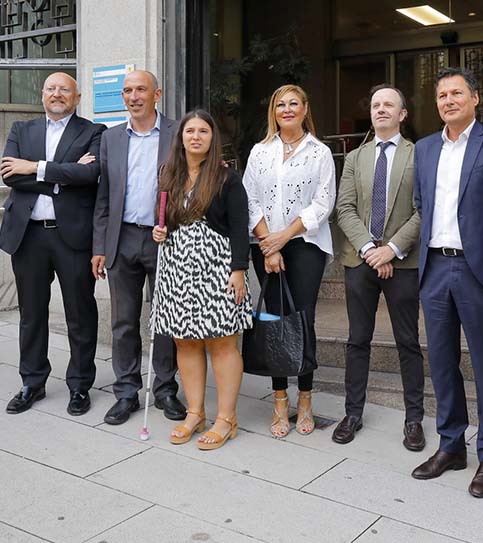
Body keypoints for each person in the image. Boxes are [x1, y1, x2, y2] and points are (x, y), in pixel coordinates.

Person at [410, 67, 483, 498]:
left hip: (480, 270)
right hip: (435, 266)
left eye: (457, 93)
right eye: (441, 95)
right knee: (441, 361)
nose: (448, 100)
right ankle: (451, 445)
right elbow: (422, 202)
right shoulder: (425, 148)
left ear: (475, 98)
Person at [0, 72, 105, 416]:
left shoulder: (93, 132)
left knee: (80, 313)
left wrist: (36, 168)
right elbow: (11, 177)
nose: (57, 94)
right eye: (51, 89)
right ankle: (32, 382)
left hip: (71, 236)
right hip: (28, 236)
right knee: (31, 314)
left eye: (64, 90)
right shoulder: (21, 130)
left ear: (76, 97)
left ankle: (79, 386)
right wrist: (62, 176)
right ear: (42, 95)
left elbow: (91, 176)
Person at [151, 110, 252, 451]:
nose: (196, 136)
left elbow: (240, 228)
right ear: (180, 137)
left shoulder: (227, 179)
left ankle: (226, 418)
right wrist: (160, 228)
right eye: (189, 130)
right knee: (184, 340)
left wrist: (239, 270)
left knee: (222, 342)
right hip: (178, 266)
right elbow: (164, 217)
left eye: (203, 131)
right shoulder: (169, 175)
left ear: (213, 138)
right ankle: (195, 412)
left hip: (219, 265)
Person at [332, 84, 425, 450]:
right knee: (358, 340)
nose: (381, 109)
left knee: (408, 342)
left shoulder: (419, 155)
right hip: (361, 259)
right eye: (375, 105)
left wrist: (393, 250)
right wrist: (372, 249)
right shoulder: (354, 158)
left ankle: (414, 419)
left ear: (403, 114)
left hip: (403, 263)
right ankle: (352, 413)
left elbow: (423, 210)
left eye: (389, 105)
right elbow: (344, 208)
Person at [92, 70, 186, 426]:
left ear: (157, 94)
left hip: (166, 237)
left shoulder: (178, 132)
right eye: (127, 91)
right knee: (123, 321)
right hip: (122, 237)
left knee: (164, 319)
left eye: (141, 89)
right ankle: (127, 391)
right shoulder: (111, 138)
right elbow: (104, 197)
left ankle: (164, 389)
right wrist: (99, 245)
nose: (133, 96)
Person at [242, 84, 336, 438]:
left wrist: (284, 237)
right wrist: (269, 243)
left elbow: (323, 202)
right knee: (274, 320)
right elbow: (249, 198)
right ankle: (280, 401)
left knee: (302, 320)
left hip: (305, 245)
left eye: (294, 103)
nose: (287, 109)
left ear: (305, 108)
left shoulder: (320, 152)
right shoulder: (260, 151)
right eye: (280, 104)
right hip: (265, 245)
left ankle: (306, 399)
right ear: (273, 111)